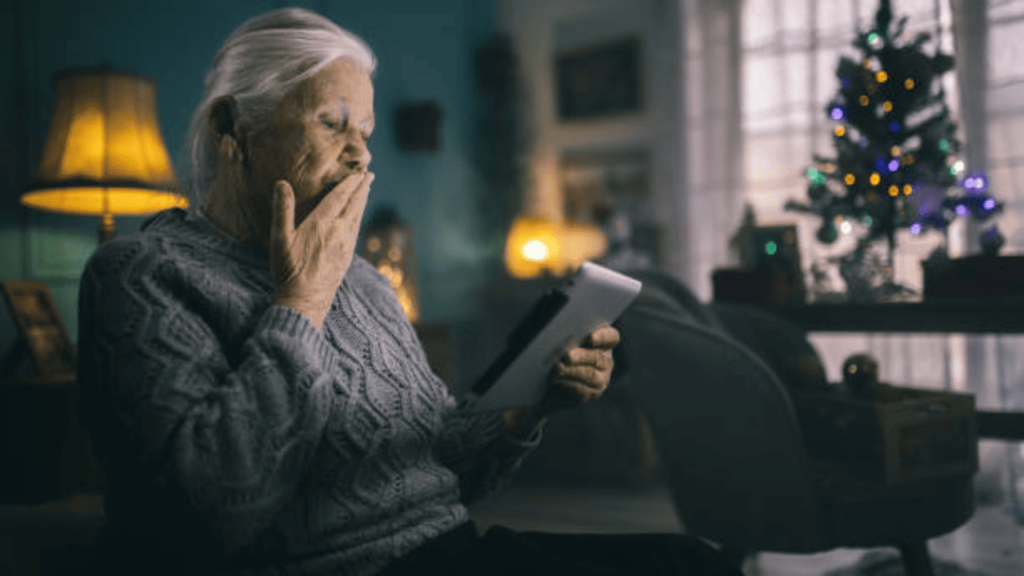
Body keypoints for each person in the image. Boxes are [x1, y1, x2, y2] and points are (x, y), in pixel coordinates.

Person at [76, 8, 745, 576]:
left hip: (450, 551)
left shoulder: (364, 281)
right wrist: (299, 304)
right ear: (232, 129)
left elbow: (437, 468)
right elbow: (211, 515)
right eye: (332, 123)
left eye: (364, 132)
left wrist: (525, 410)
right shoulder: (140, 274)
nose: (361, 154)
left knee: (697, 563)